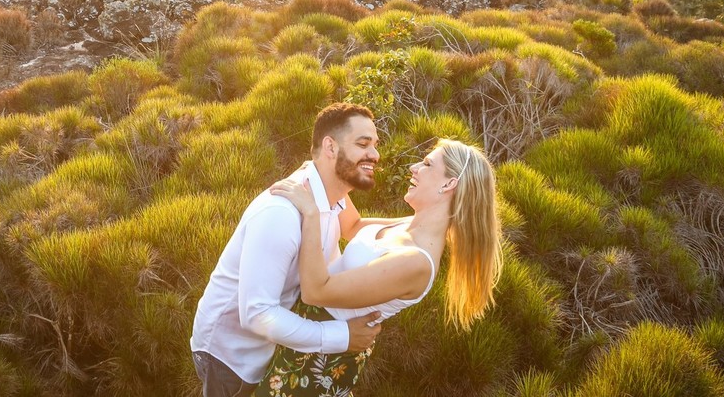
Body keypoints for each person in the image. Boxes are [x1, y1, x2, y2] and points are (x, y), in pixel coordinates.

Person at [253, 139, 503, 397]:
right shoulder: (407, 225)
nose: (414, 168)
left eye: (427, 164)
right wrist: (327, 172)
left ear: (449, 184)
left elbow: (316, 291)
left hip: (316, 363)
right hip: (300, 334)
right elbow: (353, 226)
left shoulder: (417, 262)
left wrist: (311, 213)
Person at [191, 103, 388, 397]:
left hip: (271, 345)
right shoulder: (281, 213)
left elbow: (355, 226)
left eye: (375, 144)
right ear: (330, 147)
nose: (375, 154)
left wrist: (428, 223)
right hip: (232, 357)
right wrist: (343, 337)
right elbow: (257, 314)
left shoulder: (331, 196)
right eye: (363, 144)